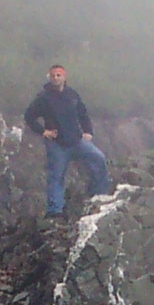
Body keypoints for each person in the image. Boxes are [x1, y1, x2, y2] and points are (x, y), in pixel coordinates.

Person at [24, 62, 111, 217]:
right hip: (57, 145)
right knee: (56, 177)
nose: (55, 78)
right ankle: (55, 212)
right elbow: (29, 116)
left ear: (64, 77)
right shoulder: (43, 98)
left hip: (77, 141)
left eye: (58, 75)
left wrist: (88, 131)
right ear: (49, 77)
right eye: (53, 76)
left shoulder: (72, 94)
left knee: (99, 159)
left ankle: (100, 196)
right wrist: (43, 131)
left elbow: (83, 113)